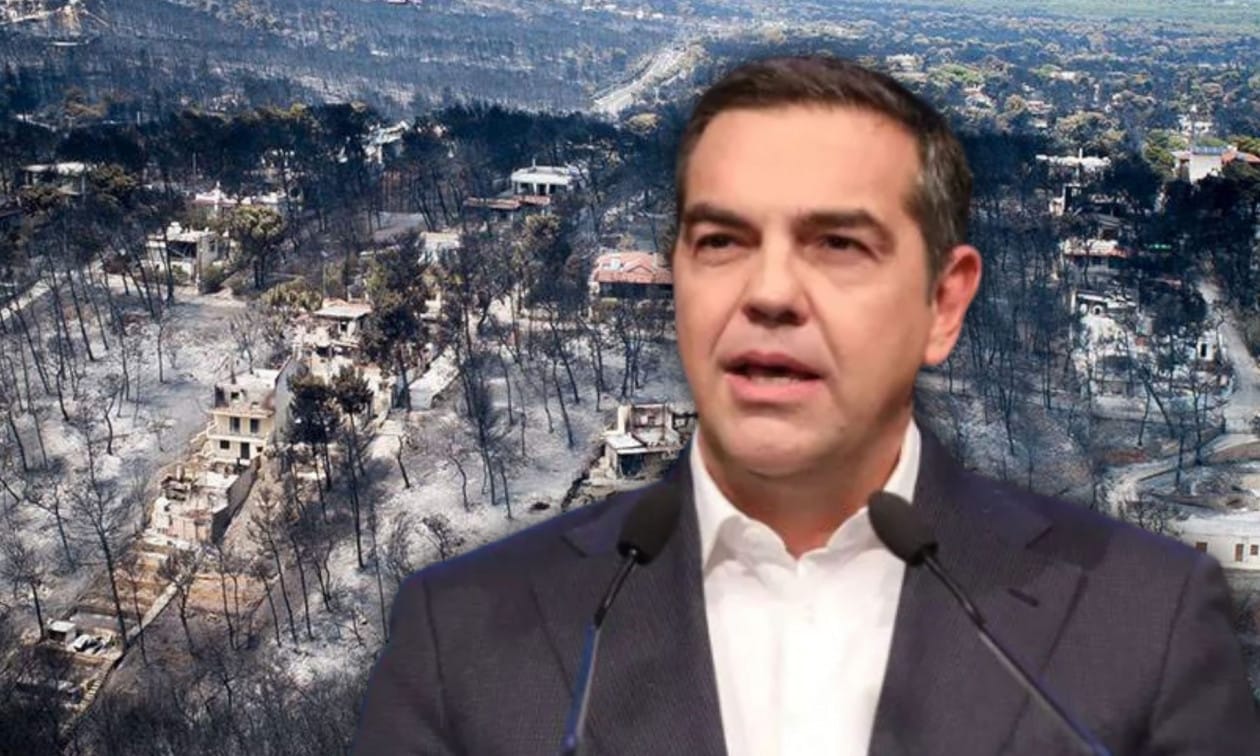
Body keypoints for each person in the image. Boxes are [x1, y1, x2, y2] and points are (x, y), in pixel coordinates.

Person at [353, 56, 1260, 755]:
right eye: (722, 241)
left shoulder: (1147, 622)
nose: (771, 294)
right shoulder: (462, 634)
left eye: (837, 245)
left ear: (943, 304)